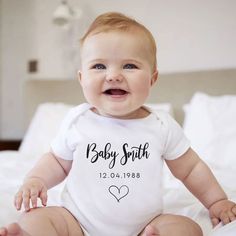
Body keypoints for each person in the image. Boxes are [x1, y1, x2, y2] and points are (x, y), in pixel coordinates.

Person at [0, 11, 236, 236]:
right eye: (99, 66)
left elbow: (191, 168)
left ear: (152, 78)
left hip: (145, 226)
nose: (113, 75)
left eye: (129, 66)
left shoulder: (161, 126)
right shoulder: (77, 121)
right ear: (82, 78)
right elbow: (56, 162)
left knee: (187, 227)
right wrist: (36, 180)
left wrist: (216, 201)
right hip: (76, 223)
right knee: (39, 217)